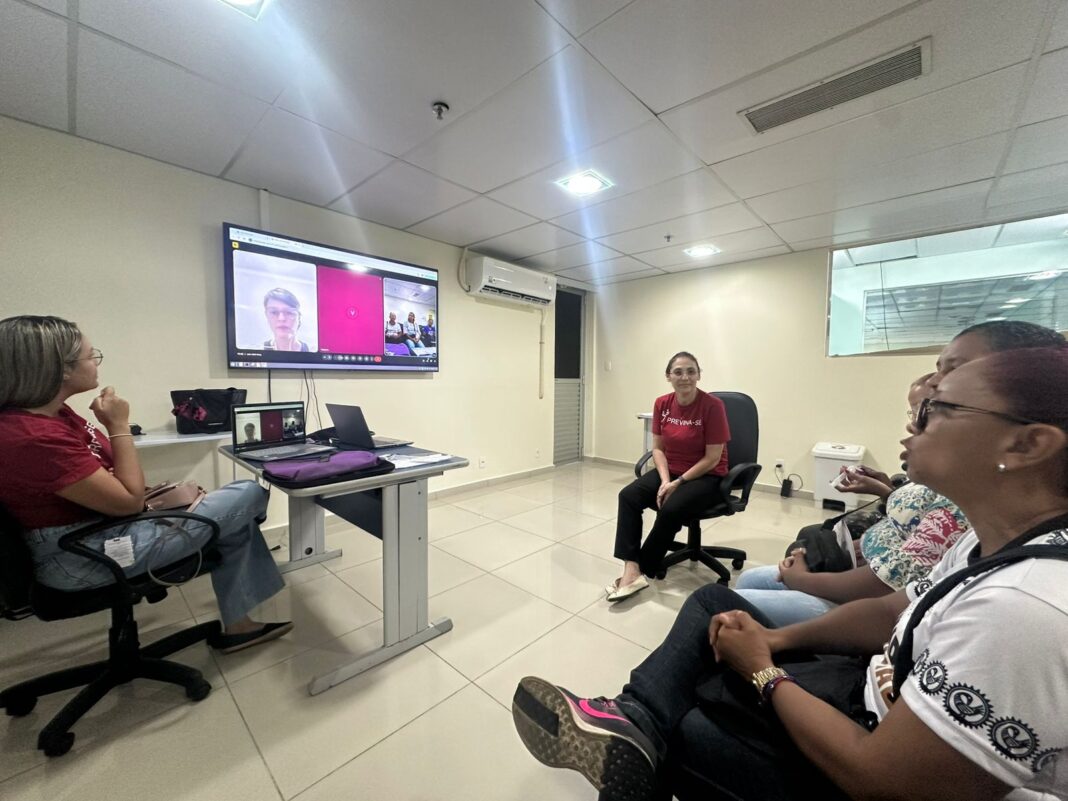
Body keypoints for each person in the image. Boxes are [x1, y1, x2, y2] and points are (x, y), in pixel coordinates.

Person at [513, 343, 1068, 801]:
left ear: (1027, 443)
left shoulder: (1025, 610)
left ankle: (640, 732)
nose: (911, 427)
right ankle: (633, 707)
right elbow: (895, 607)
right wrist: (776, 639)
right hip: (876, 686)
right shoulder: (984, 538)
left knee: (686, 712)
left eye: (936, 410)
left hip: (872, 750)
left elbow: (887, 783)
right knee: (712, 611)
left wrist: (763, 669)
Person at [0, 316, 292, 654]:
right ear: (60, 368)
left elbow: (109, 472)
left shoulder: (54, 415)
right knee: (249, 493)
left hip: (99, 529)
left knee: (234, 515)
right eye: (90, 355)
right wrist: (118, 424)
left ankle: (240, 626)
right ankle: (240, 623)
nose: (96, 362)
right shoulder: (32, 438)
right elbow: (128, 502)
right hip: (83, 555)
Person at [735, 373, 968, 625]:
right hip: (856, 566)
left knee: (725, 604)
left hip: (861, 599)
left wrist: (799, 578)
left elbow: (885, 586)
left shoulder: (956, 506)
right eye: (913, 413)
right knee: (749, 580)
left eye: (924, 412)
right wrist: (884, 488)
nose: (911, 427)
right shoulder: (942, 483)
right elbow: (914, 515)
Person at [607, 352, 730, 602]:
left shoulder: (712, 406)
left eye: (691, 371)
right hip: (670, 469)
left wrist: (678, 482)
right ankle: (630, 566)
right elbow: (658, 449)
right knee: (628, 495)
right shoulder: (662, 403)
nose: (685, 377)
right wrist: (665, 480)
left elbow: (713, 458)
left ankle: (644, 568)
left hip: (706, 475)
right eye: (678, 372)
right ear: (668, 376)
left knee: (671, 508)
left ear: (698, 375)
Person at [262, 287, 309, 352]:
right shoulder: (258, 353)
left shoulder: (312, 352)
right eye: (274, 312)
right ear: (267, 316)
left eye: (289, 312)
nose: (281, 318)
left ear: (299, 317)